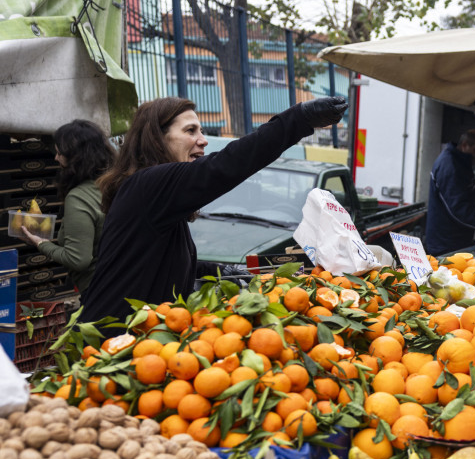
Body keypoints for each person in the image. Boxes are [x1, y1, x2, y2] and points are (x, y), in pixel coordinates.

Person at [79, 95, 347, 323]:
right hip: (110, 343)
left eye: (202, 131)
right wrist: (298, 119)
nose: (203, 140)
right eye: (190, 131)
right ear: (156, 139)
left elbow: (155, 262)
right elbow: (227, 165)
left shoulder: (151, 192)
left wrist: (218, 270)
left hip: (139, 343)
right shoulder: (149, 184)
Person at [18, 120, 113, 292]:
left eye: (59, 153)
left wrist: (40, 243)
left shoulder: (79, 197)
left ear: (75, 158)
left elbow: (78, 259)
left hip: (100, 291)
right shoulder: (111, 183)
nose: (56, 158)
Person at [424, 129, 475, 255]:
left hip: (458, 241)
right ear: (464, 145)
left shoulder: (461, 161)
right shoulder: (449, 166)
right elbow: (459, 210)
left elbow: (466, 190)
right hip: (446, 245)